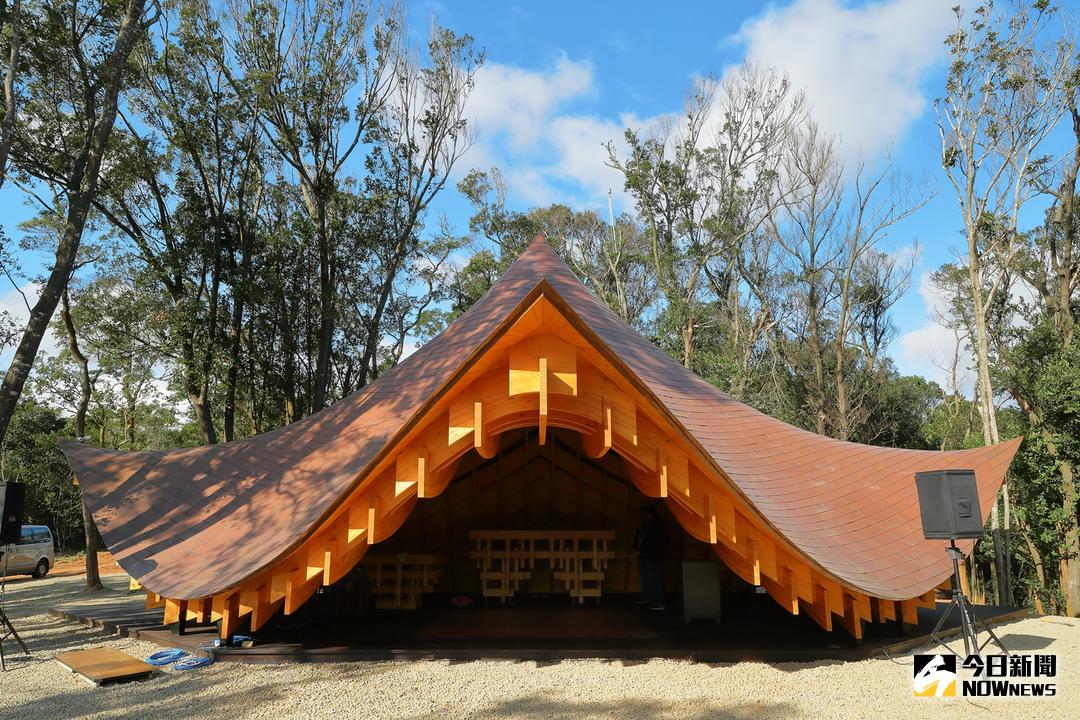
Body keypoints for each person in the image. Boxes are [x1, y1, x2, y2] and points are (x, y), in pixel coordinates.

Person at [634, 505, 668, 610]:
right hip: (644, 555)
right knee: (646, 578)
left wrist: (644, 551)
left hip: (654, 556)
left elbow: (656, 542)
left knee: (656, 579)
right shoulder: (644, 525)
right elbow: (639, 538)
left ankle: (659, 602)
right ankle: (648, 598)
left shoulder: (657, 525)